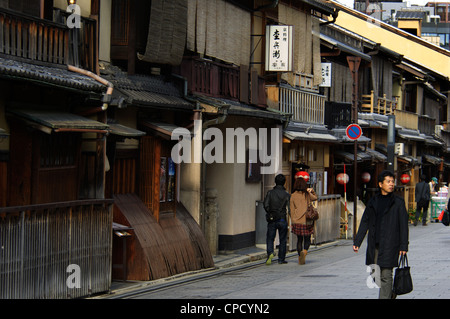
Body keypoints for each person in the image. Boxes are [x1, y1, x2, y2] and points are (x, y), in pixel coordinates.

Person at [353, 170, 409, 299]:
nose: (391, 184)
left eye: (392, 182)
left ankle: (386, 294)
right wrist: (357, 242)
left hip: (390, 243)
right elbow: (365, 221)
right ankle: (391, 292)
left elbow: (403, 226)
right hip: (375, 244)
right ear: (380, 184)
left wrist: (403, 246)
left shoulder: (398, 202)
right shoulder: (373, 201)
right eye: (388, 181)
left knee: (386, 274)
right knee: (374, 274)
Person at [290, 177, 318, 264]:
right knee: (307, 239)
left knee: (299, 240)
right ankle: (305, 252)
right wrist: (312, 191)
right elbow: (315, 198)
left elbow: (291, 210)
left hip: (297, 221)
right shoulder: (307, 195)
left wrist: (293, 220)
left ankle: (299, 256)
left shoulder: (293, 195)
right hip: (307, 220)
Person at [263, 174, 290, 265]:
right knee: (283, 239)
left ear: (275, 182)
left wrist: (271, 212)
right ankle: (281, 259)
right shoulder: (286, 194)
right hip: (282, 219)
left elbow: (265, 205)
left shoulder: (270, 193)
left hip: (272, 218)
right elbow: (289, 208)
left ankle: (270, 253)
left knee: (270, 238)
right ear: (284, 182)